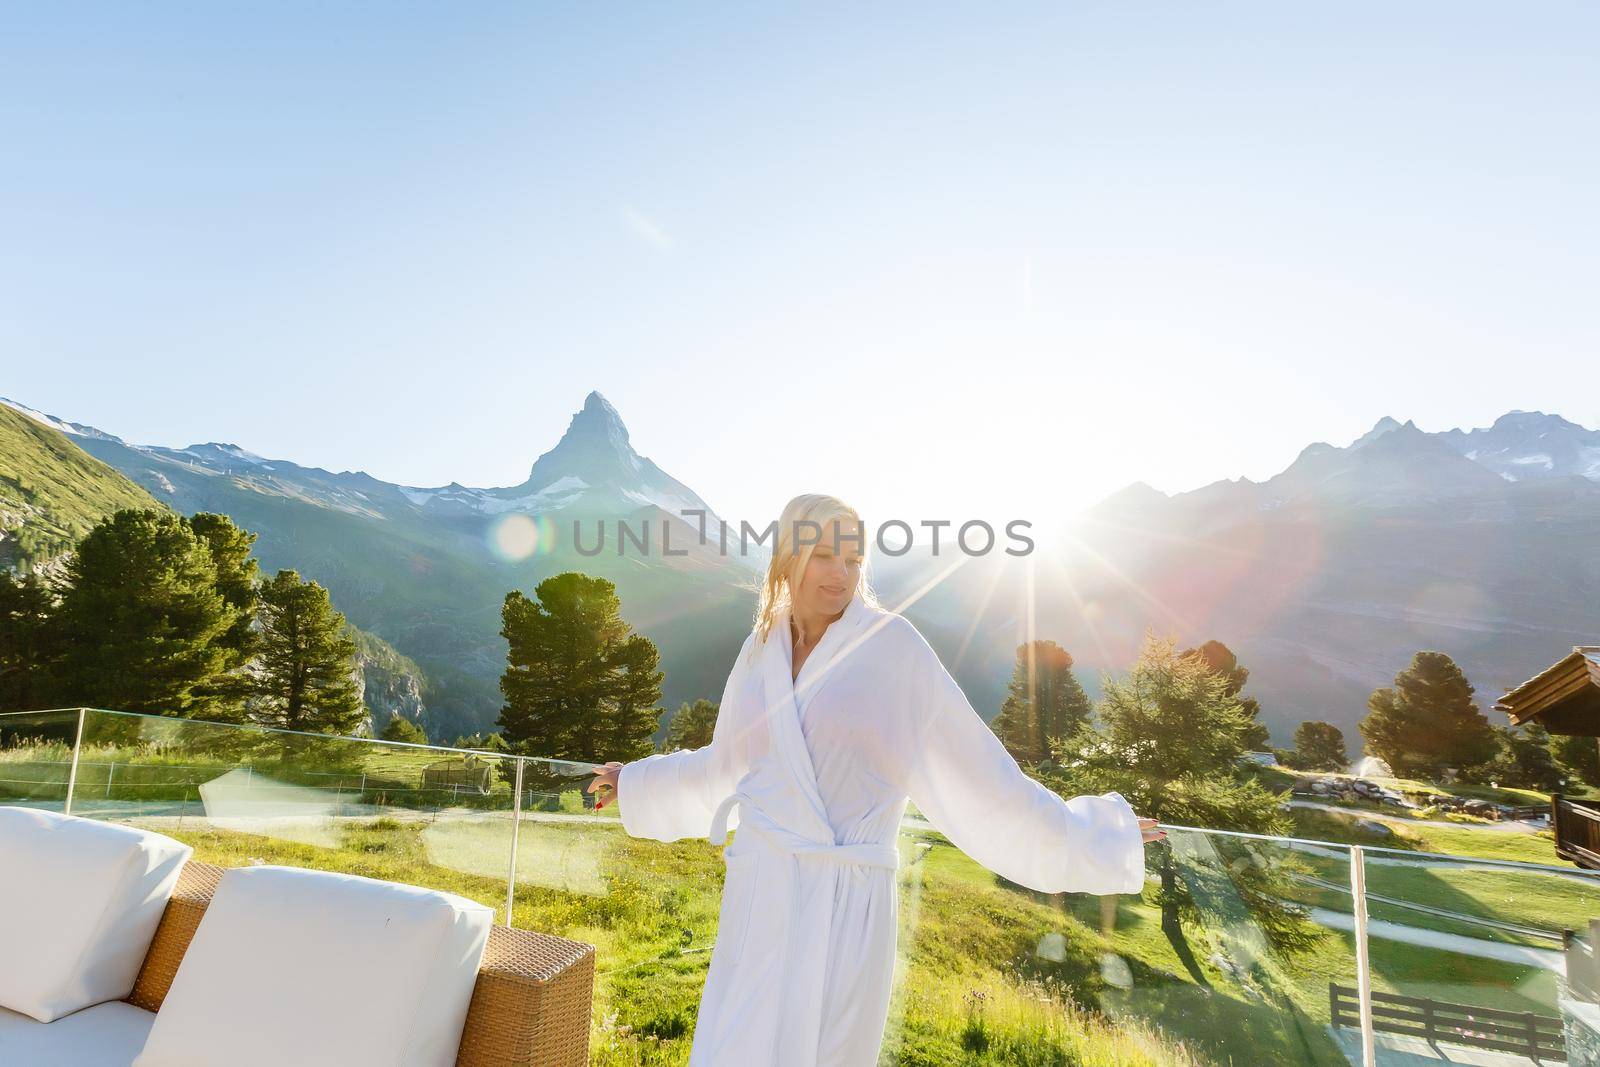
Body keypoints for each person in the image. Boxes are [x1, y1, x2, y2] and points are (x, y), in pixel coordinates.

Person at [587, 493, 1162, 1066]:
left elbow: (984, 780)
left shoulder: (893, 649)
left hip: (849, 907)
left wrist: (1098, 832)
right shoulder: (761, 648)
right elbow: (726, 765)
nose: (842, 574)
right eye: (824, 556)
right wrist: (634, 780)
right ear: (788, 556)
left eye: (855, 560)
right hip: (762, 899)